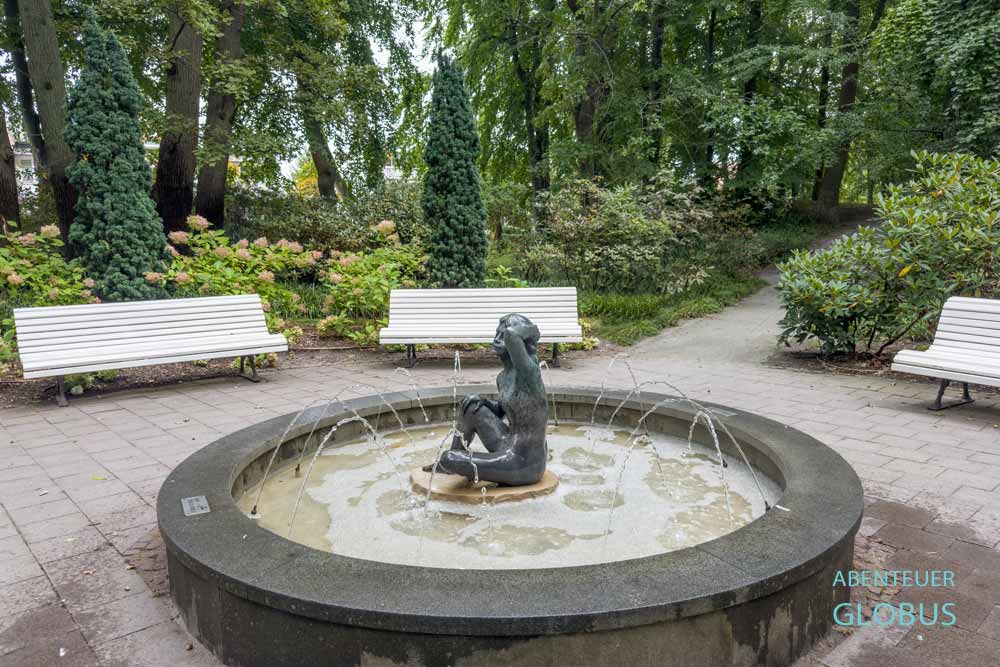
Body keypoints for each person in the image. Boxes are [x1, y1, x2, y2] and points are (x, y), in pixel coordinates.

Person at [423, 313, 548, 486]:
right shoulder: (503, 377)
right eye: (497, 334)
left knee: (449, 458)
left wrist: (533, 331)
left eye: (502, 335)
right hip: (506, 444)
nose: (497, 339)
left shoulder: (529, 373)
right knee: (471, 405)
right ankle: (454, 462)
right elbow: (504, 410)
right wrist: (487, 404)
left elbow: (512, 335)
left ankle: (453, 462)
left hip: (524, 461)